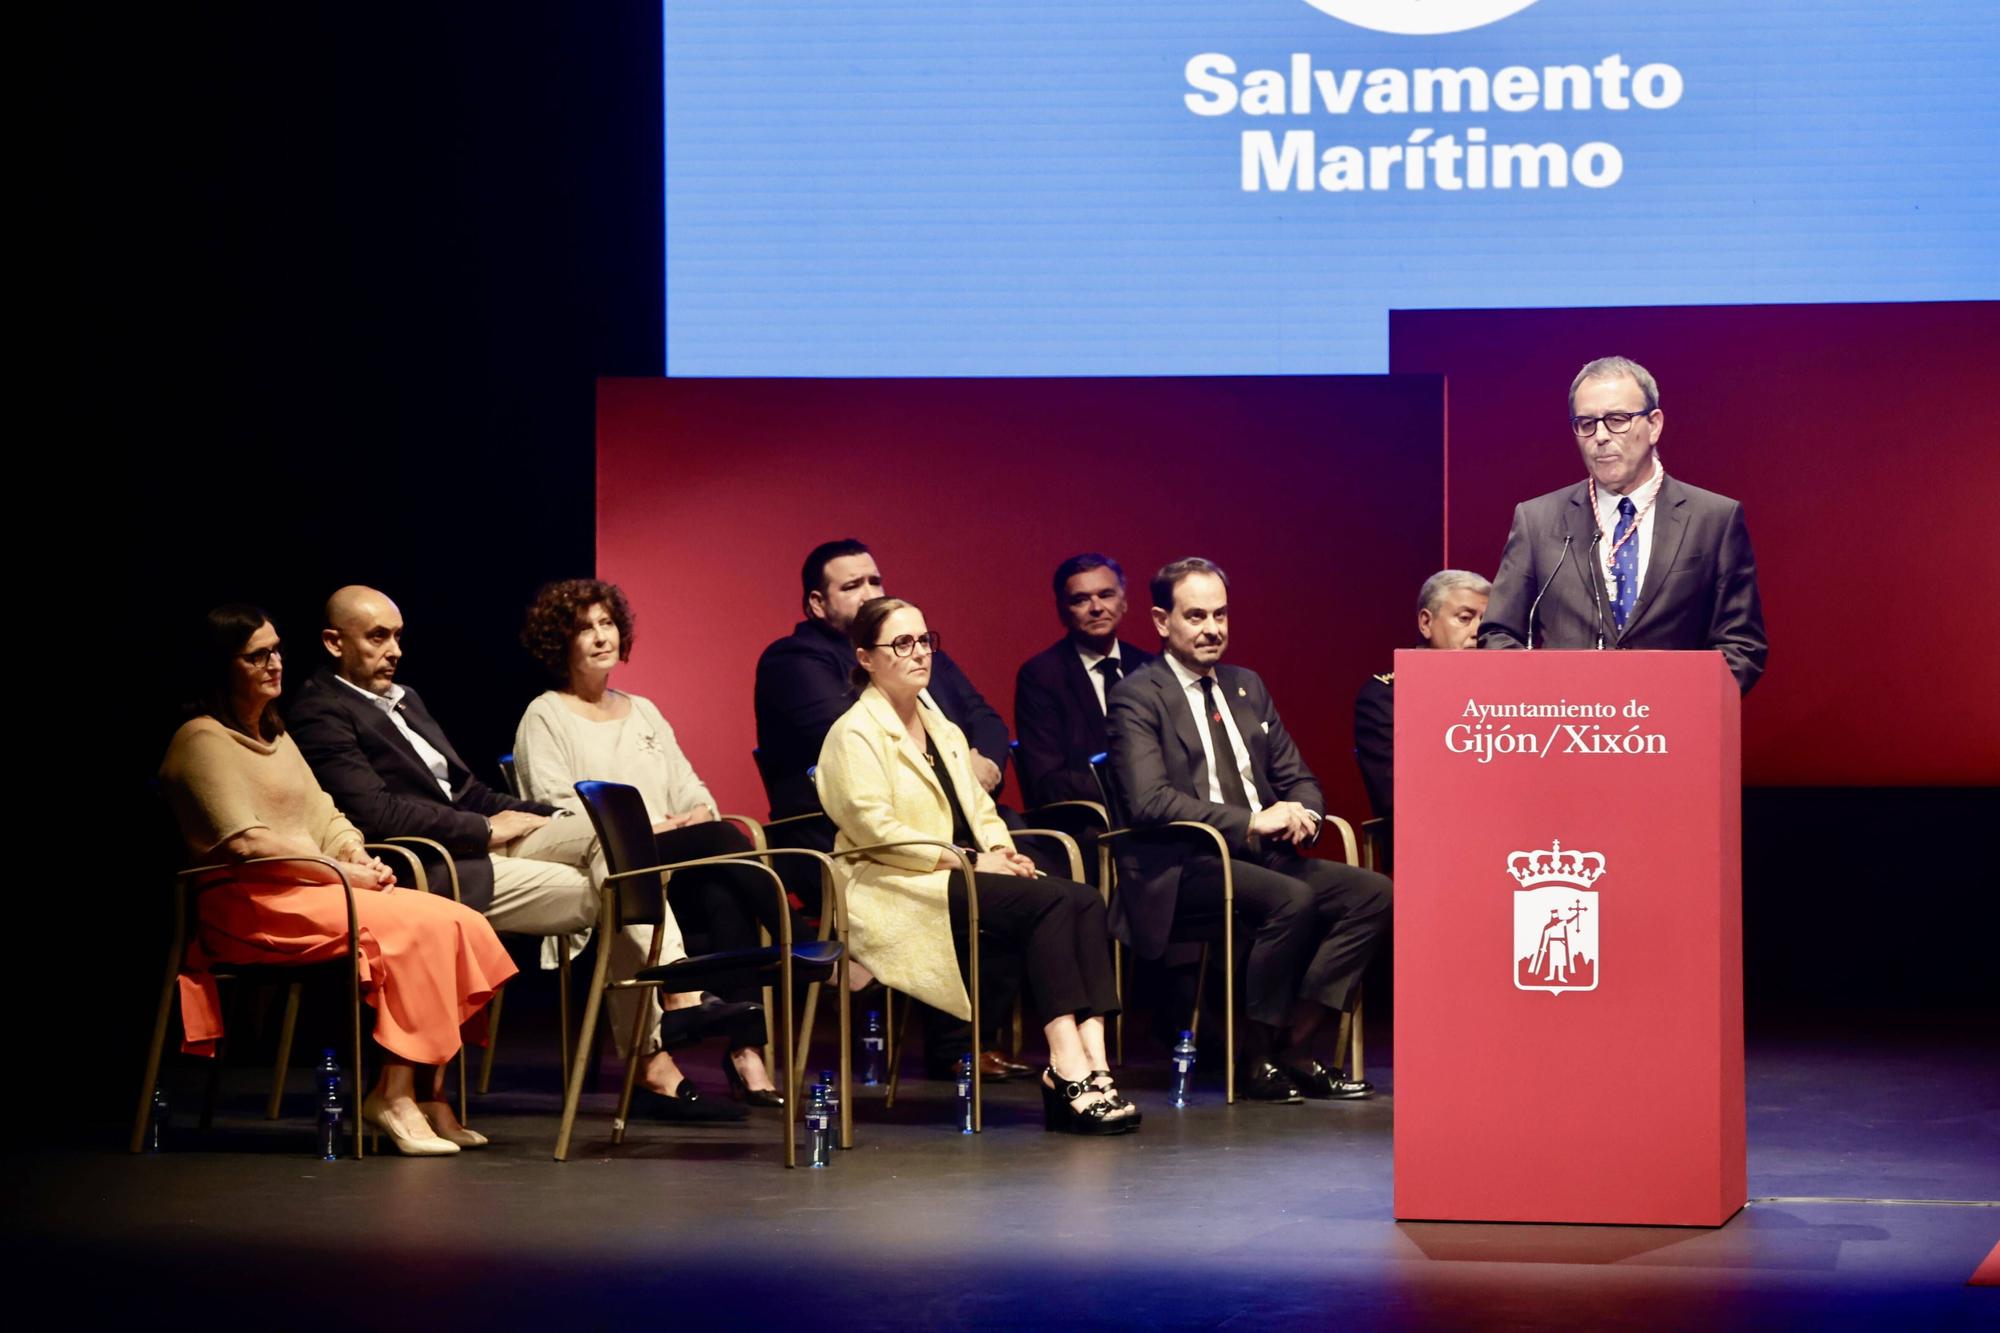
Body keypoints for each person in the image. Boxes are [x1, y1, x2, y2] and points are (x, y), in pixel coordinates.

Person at [288, 585, 749, 1122]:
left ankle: (665, 1034)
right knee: (620, 867)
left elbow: (468, 789)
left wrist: (542, 816)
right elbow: (379, 815)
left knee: (615, 865)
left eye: (397, 636)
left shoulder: (406, 699)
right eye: (378, 637)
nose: (395, 649)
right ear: (332, 641)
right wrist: (484, 828)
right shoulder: (321, 711)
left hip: (478, 848)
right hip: (429, 868)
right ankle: (677, 999)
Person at [158, 605, 518, 1155]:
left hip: (313, 889)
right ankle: (390, 1098)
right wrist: (342, 871)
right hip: (250, 904)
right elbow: (247, 842)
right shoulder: (201, 739)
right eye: (258, 655)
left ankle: (425, 1091)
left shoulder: (276, 735)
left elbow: (325, 814)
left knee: (457, 919)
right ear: (221, 666)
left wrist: (353, 851)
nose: (275, 663)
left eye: (277, 650)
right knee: (414, 932)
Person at [816, 597, 1137, 1134]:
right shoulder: (853, 733)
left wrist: (1002, 851)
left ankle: (1096, 1064)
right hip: (896, 882)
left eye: (925, 640)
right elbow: (876, 831)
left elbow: (980, 808)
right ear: (867, 658)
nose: (919, 653)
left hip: (957, 871)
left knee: (1084, 897)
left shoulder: (940, 726)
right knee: (1054, 903)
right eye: (902, 643)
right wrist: (968, 859)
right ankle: (1066, 1067)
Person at [1108, 558, 1392, 1103]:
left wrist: (1303, 812)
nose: (1212, 628)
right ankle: (1252, 1055)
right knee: (1291, 899)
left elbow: (1298, 777)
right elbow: (1149, 801)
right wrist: (1253, 820)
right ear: (1162, 622)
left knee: (1373, 895)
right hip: (1181, 865)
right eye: (1195, 616)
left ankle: (1293, 1044)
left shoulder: (1247, 686)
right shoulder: (1138, 695)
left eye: (1220, 614)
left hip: (1262, 859)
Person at [754, 539, 1033, 1082]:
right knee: (966, 881)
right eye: (851, 585)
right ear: (817, 603)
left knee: (1028, 853)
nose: (868, 594)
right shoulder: (794, 660)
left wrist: (981, 761)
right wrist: (948, 766)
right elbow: (843, 734)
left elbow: (983, 718)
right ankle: (958, 1042)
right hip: (836, 834)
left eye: (874, 582)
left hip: (940, 816)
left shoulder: (918, 648)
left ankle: (981, 1032)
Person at [513, 577, 794, 1107]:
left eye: (607, 623)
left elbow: (695, 790)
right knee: (724, 842)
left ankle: (746, 1053)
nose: (601, 637)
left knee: (724, 887)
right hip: (614, 860)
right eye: (583, 629)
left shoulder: (643, 710)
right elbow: (554, 810)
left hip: (676, 860)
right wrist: (652, 829)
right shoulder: (544, 714)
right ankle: (796, 939)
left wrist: (691, 816)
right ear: (560, 643)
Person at [1479, 355, 1767, 692]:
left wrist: (1686, 704)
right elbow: (1498, 633)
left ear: (1654, 425)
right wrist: (1547, 694)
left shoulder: (1713, 518)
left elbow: (1742, 645)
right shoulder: (1537, 520)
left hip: (1672, 731)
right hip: (1568, 727)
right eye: (1586, 423)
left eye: (1617, 419)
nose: (1600, 436)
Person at [1353, 569, 1490, 866]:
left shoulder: (1500, 696)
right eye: (1465, 618)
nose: (1479, 631)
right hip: (1426, 849)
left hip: (1497, 838)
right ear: (1426, 622)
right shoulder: (1385, 696)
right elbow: (1395, 796)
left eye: (1485, 621)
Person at [1013, 553, 1156, 809]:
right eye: (1081, 599)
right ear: (1062, 611)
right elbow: (1047, 782)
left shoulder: (1150, 667)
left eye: (1106, 595)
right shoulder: (1041, 676)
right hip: (1092, 822)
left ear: (1123, 602)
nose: (1096, 607)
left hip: (1161, 812)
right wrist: (1133, 787)